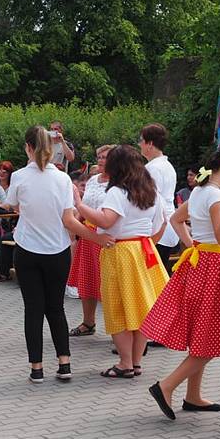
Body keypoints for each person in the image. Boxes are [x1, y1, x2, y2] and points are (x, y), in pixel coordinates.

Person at [142, 145, 220, 420]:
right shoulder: (217, 197)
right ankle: (167, 386)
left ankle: (193, 395)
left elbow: (176, 219)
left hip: (198, 262)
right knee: (211, 336)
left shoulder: (200, 190)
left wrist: (193, 245)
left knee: (202, 332)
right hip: (214, 266)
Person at [4, 126, 112, 383]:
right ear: (52, 149)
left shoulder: (19, 176)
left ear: (28, 147)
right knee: (56, 308)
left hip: (27, 250)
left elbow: (13, 205)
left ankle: (36, 368)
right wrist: (98, 238)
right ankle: (64, 363)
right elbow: (70, 221)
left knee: (33, 310)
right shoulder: (63, 179)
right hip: (58, 251)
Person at [74, 145, 168, 379]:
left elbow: (106, 221)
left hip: (121, 251)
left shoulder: (117, 191)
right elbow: (161, 224)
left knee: (119, 309)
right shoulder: (150, 191)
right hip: (144, 250)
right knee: (141, 309)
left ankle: (125, 363)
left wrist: (79, 205)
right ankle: (135, 362)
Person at [67, 144, 115, 337]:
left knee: (108, 284)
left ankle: (117, 329)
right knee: (87, 280)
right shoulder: (94, 180)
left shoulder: (120, 183)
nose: (101, 160)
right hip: (88, 234)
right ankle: (88, 322)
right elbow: (84, 206)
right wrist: (74, 226)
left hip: (106, 234)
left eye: (105, 157)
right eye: (99, 157)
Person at [139, 123, 177, 272]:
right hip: (166, 225)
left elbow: (151, 200)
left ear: (150, 144)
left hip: (158, 226)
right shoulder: (167, 165)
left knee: (153, 279)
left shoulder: (152, 168)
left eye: (141, 140)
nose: (139, 144)